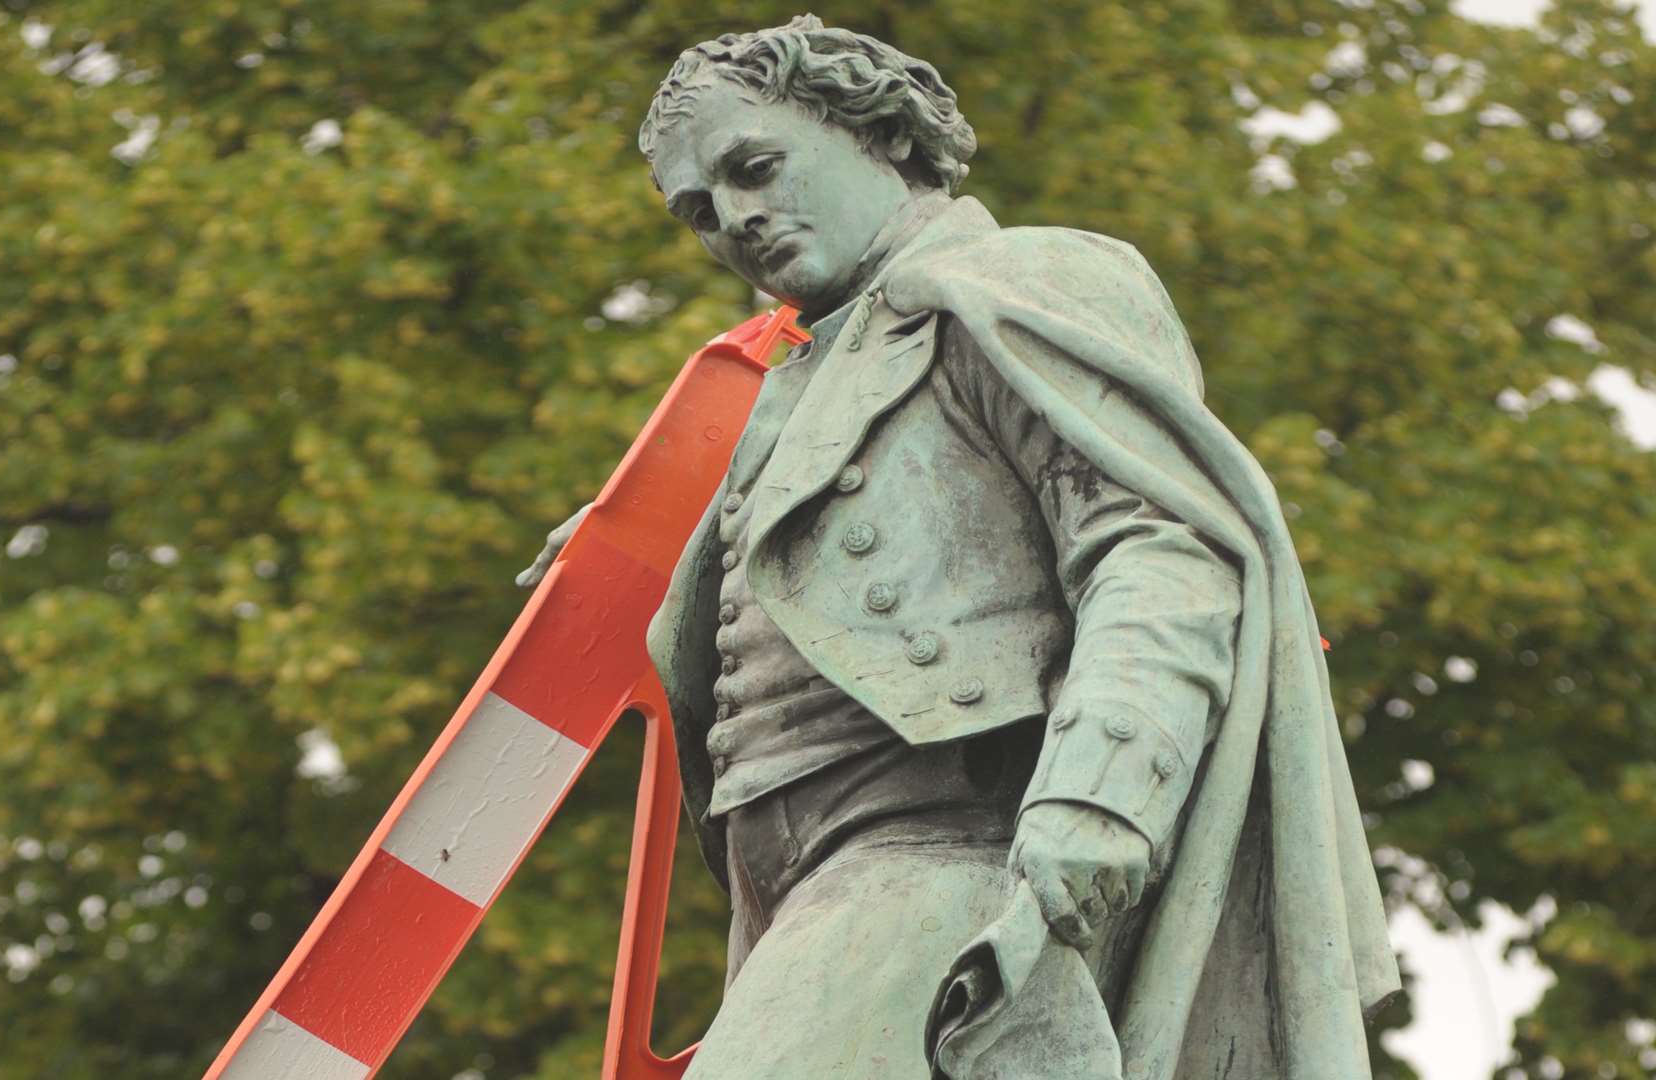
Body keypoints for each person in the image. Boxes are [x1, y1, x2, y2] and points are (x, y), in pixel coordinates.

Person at [519, 16, 1396, 1079]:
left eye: (755, 167)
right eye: (701, 212)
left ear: (878, 132)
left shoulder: (1021, 280)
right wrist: (662, 541)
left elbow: (1158, 543)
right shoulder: (789, 385)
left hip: (941, 845)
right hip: (780, 896)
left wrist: (1101, 788)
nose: (737, 219)